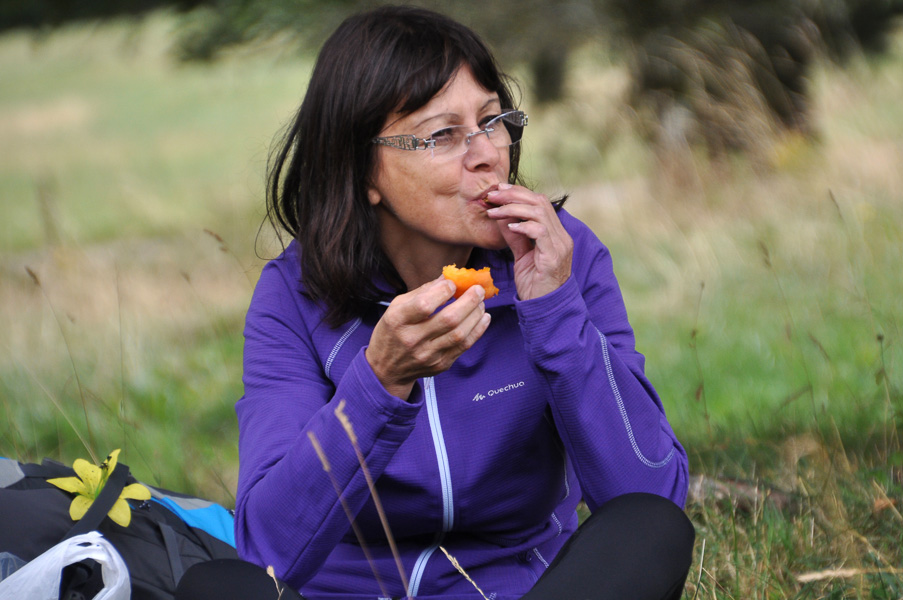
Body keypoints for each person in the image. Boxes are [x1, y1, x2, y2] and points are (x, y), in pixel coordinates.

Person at [177, 5, 694, 600]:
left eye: (492, 120)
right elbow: (268, 550)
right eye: (443, 135)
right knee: (217, 588)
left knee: (650, 529)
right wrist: (378, 384)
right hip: (346, 594)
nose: (487, 153)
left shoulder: (561, 255)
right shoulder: (293, 296)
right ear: (363, 170)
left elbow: (650, 497)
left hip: (522, 592)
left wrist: (554, 312)